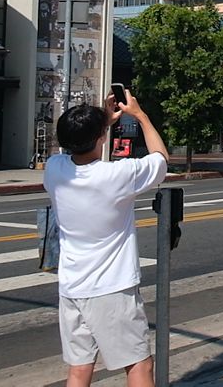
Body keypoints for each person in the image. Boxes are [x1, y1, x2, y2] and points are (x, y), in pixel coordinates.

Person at [43, 89, 170, 387]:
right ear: (100, 137)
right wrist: (140, 115)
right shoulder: (117, 175)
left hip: (72, 286)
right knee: (138, 364)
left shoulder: (54, 170)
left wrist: (102, 123)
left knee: (79, 368)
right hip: (111, 287)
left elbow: (81, 148)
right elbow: (160, 160)